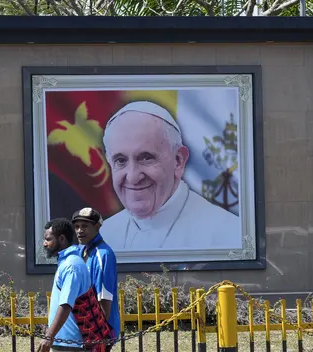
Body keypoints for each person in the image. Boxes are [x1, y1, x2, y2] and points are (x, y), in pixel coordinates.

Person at [99, 101, 241, 253]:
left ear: (178, 161)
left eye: (146, 158)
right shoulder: (104, 235)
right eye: (120, 161)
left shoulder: (229, 235)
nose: (133, 177)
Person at [38, 218, 91, 352]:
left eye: (48, 239)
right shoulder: (67, 262)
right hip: (64, 342)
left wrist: (49, 336)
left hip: (69, 345)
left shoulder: (71, 265)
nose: (45, 244)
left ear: (61, 239)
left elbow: (66, 304)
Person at [71, 207, 121, 346]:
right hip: (86, 329)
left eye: (85, 226)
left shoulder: (103, 254)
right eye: (77, 226)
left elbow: (105, 297)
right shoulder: (82, 250)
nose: (80, 231)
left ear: (97, 227)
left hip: (99, 332)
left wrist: (100, 334)